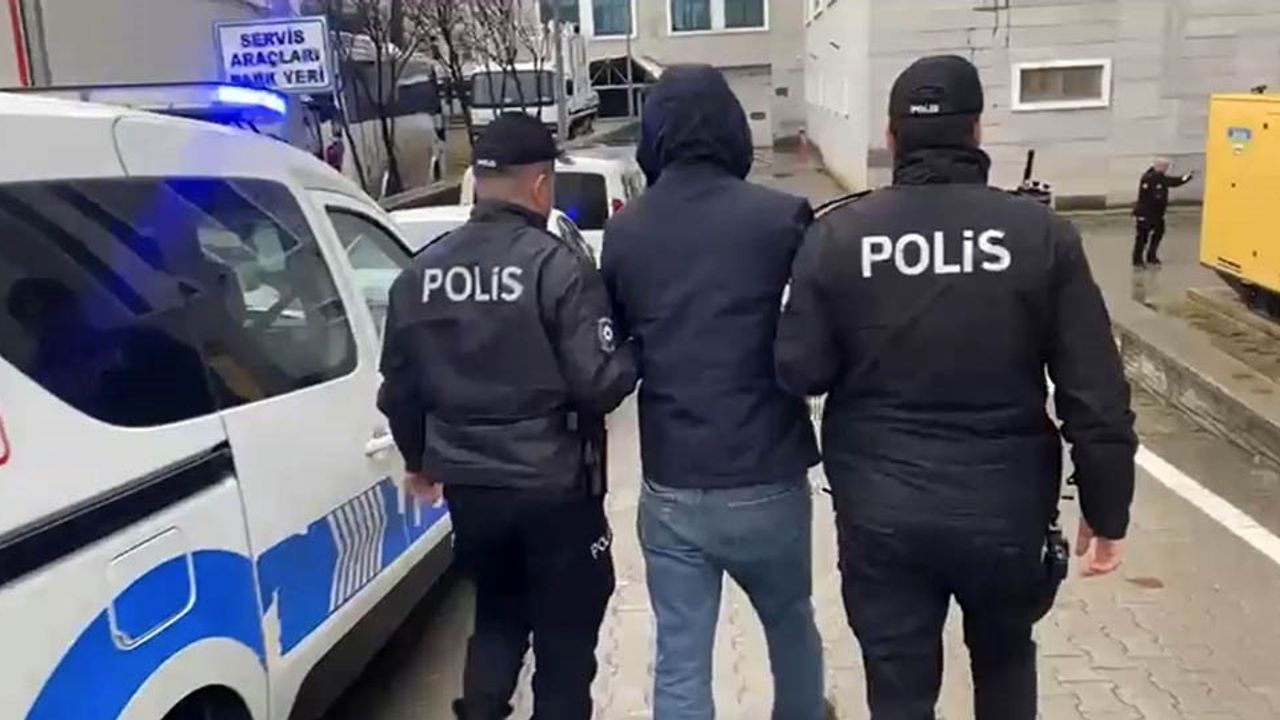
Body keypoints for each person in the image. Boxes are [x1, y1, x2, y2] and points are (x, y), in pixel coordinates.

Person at [775, 55, 1138, 720]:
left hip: (882, 511)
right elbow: (1095, 393)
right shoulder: (1041, 235)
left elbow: (802, 371)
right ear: (977, 132)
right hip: (1006, 510)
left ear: (891, 137)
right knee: (1005, 658)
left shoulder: (838, 236)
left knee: (899, 685)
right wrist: (1107, 507)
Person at [378, 113, 638, 720]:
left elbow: (399, 391)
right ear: (541, 185)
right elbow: (599, 384)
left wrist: (419, 462)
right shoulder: (557, 266)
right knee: (565, 639)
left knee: (497, 615)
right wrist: (636, 349)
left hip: (472, 491)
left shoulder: (419, 274)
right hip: (555, 490)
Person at [602, 64, 828, 720]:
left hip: (673, 479)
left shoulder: (626, 230)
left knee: (680, 654)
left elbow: (618, 339)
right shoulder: (782, 216)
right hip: (769, 473)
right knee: (791, 623)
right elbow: (814, 333)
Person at [1133, 157, 1194, 267]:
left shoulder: (1160, 177)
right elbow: (1155, 194)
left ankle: (1151, 256)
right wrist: (1160, 198)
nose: (1167, 169)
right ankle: (1137, 260)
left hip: (1157, 214)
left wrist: (1186, 177)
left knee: (1158, 233)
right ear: (1160, 166)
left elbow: (1173, 181)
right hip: (1146, 214)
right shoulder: (1149, 178)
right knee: (1142, 237)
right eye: (1166, 167)